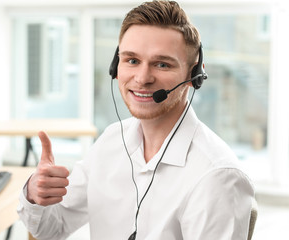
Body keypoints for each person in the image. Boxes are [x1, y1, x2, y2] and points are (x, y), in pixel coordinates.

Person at [18, 1, 255, 239]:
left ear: (194, 75)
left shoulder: (217, 177)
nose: (142, 79)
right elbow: (52, 229)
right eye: (132, 60)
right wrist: (35, 194)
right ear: (116, 65)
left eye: (162, 64)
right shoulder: (111, 141)